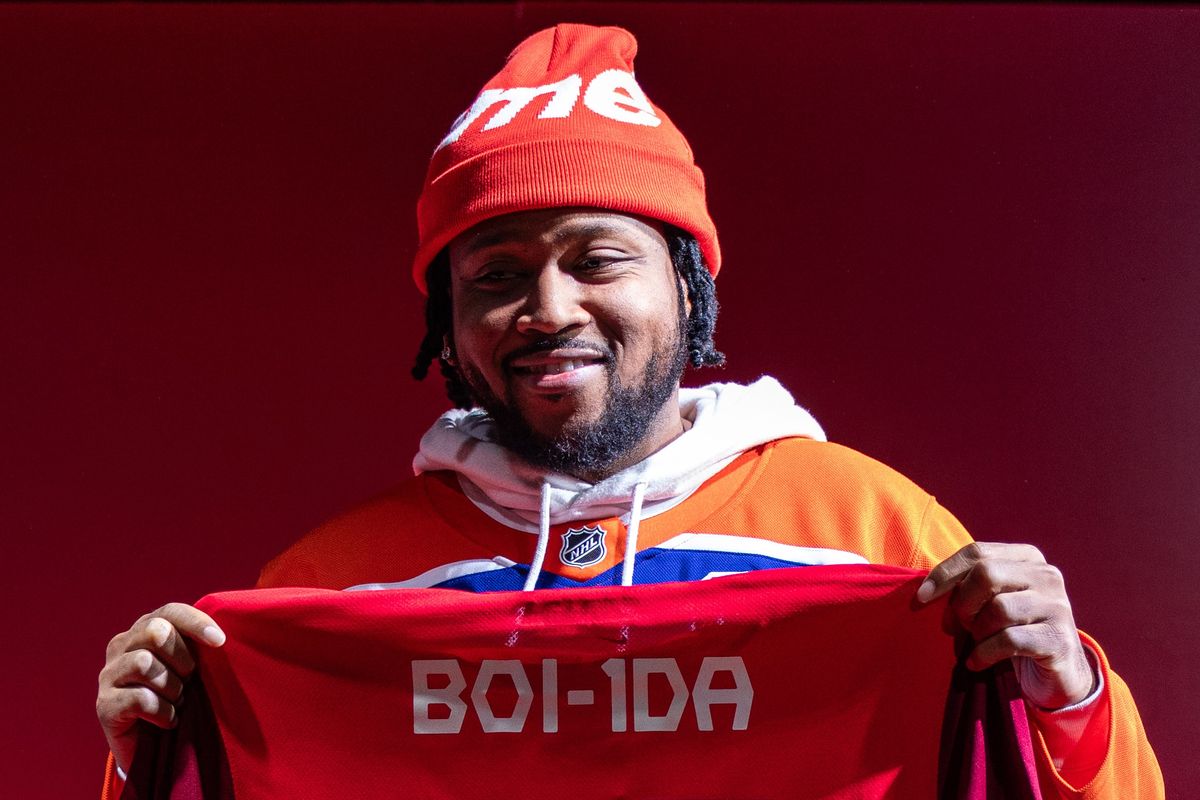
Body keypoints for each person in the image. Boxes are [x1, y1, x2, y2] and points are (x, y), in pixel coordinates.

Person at [96, 23, 1162, 798]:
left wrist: (1067, 694)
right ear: (448, 321)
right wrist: (149, 740)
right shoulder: (328, 588)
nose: (548, 309)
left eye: (598, 258)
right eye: (494, 275)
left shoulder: (878, 536)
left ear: (688, 288)